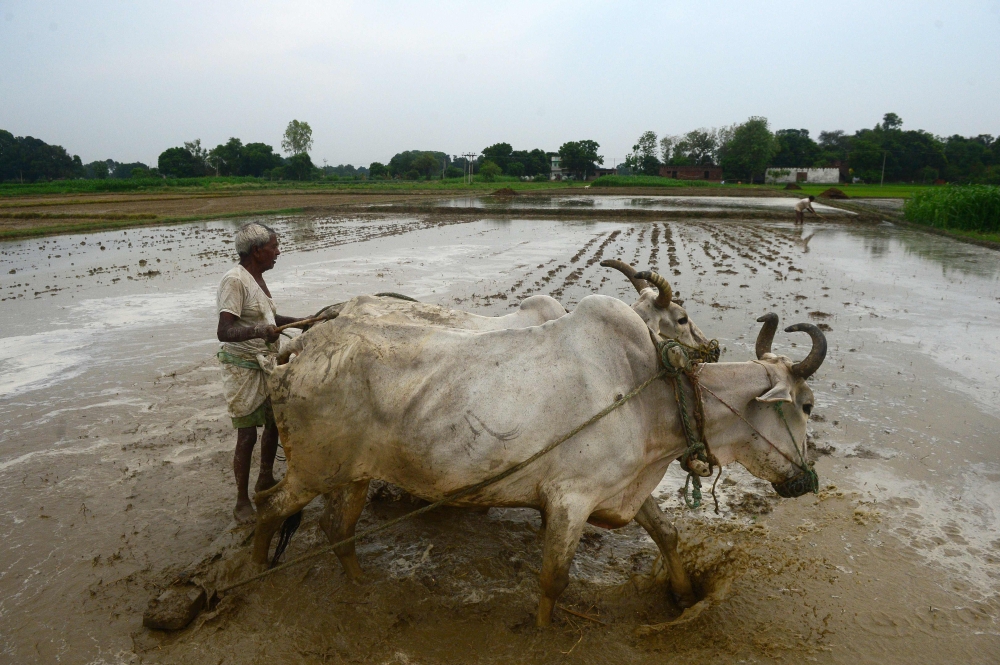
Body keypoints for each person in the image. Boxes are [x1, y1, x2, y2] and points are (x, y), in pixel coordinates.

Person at [216, 223, 307, 523]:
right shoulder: (234, 280)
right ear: (257, 251)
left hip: (266, 362)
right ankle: (242, 501)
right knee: (247, 435)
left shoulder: (257, 278)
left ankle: (265, 479)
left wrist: (300, 322)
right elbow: (224, 330)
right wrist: (258, 331)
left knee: (274, 423)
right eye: (274, 246)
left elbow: (269, 317)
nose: (278, 251)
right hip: (242, 369)